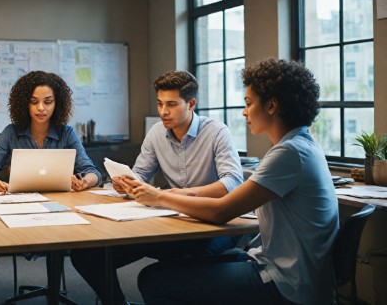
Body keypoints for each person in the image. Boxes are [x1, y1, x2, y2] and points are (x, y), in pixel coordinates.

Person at [123, 59, 339, 304]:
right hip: (275, 263)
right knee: (155, 273)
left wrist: (160, 197)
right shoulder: (301, 145)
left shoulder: (289, 153)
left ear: (272, 106)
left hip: (287, 283)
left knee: (153, 281)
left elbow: (221, 211)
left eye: (248, 103)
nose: (244, 112)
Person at [70, 70, 244, 304]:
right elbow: (141, 173)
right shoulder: (156, 132)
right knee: (87, 255)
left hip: (213, 224)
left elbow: (232, 183)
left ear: (191, 103)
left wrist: (175, 194)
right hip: (172, 220)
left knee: (178, 260)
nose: (163, 112)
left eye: (171, 105)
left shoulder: (216, 132)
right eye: (160, 103)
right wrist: (127, 184)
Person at [0, 70, 102, 192]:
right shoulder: (11, 133)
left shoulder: (67, 133)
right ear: (25, 104)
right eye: (34, 102)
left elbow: (93, 173)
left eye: (48, 102)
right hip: (19, 202)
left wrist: (84, 182)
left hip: (61, 201)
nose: (41, 108)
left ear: (57, 104)